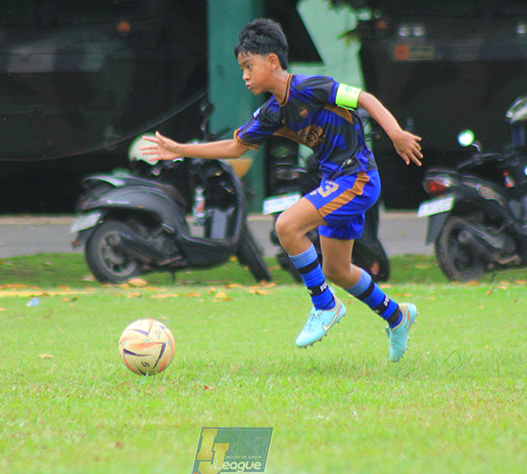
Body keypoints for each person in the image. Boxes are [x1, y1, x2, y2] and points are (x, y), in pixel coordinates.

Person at [143, 19, 424, 362]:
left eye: (249, 66)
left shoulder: (313, 87)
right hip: (334, 183)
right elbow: (236, 148)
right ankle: (397, 316)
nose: (244, 75)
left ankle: (325, 305)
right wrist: (180, 149)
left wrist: (394, 132)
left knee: (286, 226)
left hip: (358, 177)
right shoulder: (271, 114)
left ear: (272, 61)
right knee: (337, 270)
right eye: (241, 68)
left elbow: (363, 98)